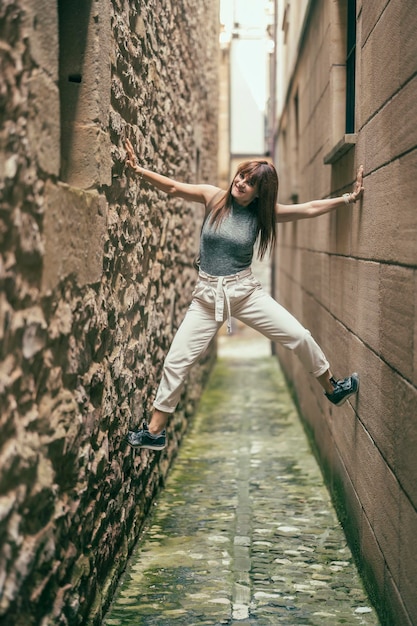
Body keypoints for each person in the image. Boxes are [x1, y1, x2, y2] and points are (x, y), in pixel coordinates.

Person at [124, 138, 364, 451]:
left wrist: (348, 198)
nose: (241, 183)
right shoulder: (214, 198)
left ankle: (332, 387)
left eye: (250, 183)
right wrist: (137, 170)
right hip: (207, 297)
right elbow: (172, 187)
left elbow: (309, 208)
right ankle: (155, 431)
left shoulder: (262, 216)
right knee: (176, 361)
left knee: (299, 336)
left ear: (259, 193)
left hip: (244, 292)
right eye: (241, 176)